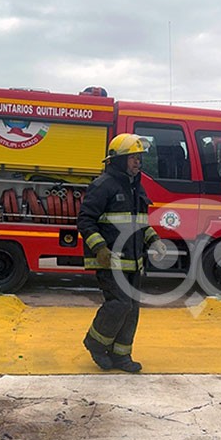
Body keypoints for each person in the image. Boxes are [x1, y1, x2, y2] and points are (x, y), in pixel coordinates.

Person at [78, 133, 167, 372]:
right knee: (119, 304)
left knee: (131, 308)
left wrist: (155, 241)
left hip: (133, 262)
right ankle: (95, 344)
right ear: (118, 160)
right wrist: (100, 248)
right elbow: (85, 220)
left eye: (139, 158)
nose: (138, 162)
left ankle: (121, 356)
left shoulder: (136, 186)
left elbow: (140, 223)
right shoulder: (103, 185)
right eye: (132, 158)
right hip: (111, 261)